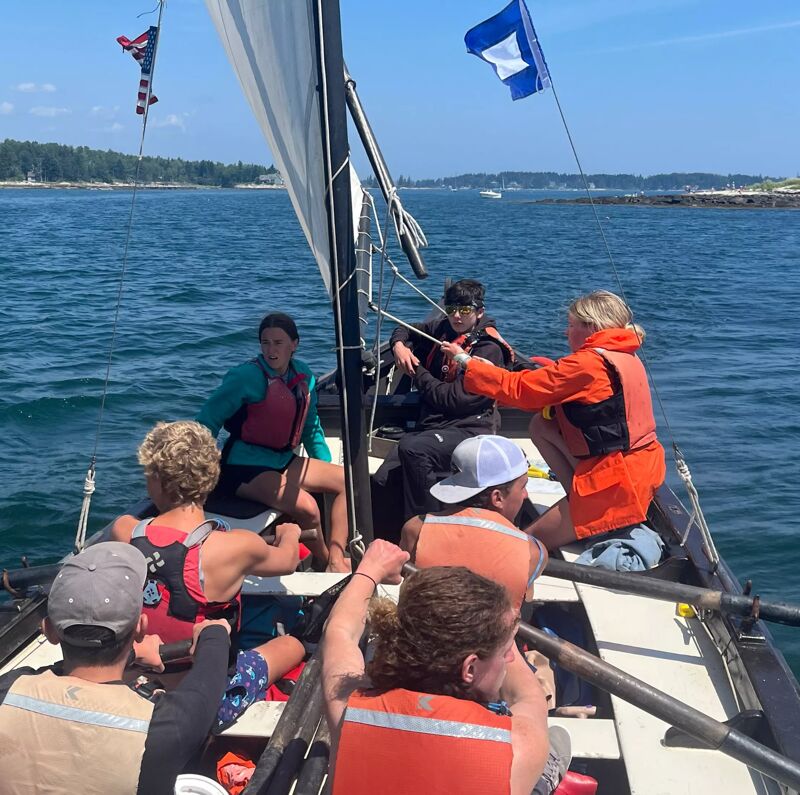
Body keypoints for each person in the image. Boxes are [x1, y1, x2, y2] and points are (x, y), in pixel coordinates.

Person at [321, 541, 567, 795]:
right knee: (558, 742)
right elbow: (527, 697)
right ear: (469, 669)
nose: (510, 660)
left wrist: (370, 568)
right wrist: (502, 624)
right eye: (504, 652)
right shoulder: (519, 746)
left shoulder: (350, 710)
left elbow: (340, 632)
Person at [111, 420, 305, 727]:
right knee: (293, 645)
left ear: (157, 481)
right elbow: (287, 561)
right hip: (204, 702)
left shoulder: (124, 530)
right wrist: (290, 533)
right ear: (210, 479)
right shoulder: (238, 547)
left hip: (137, 683)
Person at [0, 542, 232, 795]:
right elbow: (209, 677)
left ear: (49, 631)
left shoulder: (8, 689)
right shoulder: (166, 726)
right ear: (141, 627)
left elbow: (52, 673)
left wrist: (132, 653)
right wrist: (214, 633)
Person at [442, 290, 666, 550]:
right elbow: (556, 384)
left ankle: (592, 511)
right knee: (542, 425)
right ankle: (577, 496)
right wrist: (489, 371)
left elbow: (522, 391)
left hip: (615, 486)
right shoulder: (623, 354)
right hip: (641, 468)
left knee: (524, 544)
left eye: (571, 325)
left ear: (590, 327)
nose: (565, 333)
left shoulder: (588, 364)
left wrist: (467, 363)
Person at [197, 312, 350, 572]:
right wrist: (195, 473)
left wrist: (322, 464)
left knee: (346, 480)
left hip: (282, 459)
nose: (271, 350)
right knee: (309, 508)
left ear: (295, 344)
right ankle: (329, 561)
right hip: (245, 466)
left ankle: (338, 552)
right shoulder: (245, 377)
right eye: (265, 343)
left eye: (278, 343)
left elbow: (310, 425)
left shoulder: (303, 375)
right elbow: (205, 422)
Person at [373, 279, 515, 537]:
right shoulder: (443, 328)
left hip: (470, 427)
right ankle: (387, 539)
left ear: (479, 311)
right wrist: (399, 347)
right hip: (436, 425)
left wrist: (417, 372)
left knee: (413, 449)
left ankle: (427, 533)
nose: (457, 316)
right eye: (451, 309)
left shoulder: (488, 349)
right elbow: (406, 329)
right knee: (383, 479)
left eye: (465, 310)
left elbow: (452, 400)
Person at [401, 434, 547, 611]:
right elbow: (522, 601)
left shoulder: (415, 529)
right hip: (492, 638)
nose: (526, 495)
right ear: (497, 498)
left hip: (424, 636)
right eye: (523, 486)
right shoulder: (533, 552)